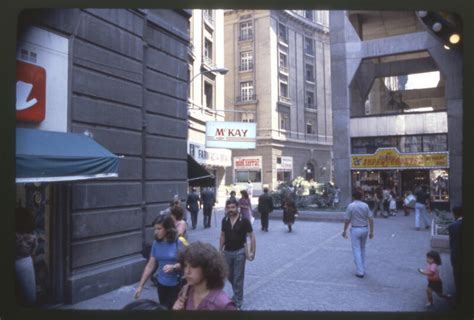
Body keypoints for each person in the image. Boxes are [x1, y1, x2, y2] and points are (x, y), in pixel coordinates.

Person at [134, 214, 187, 309]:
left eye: (159, 229)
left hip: (177, 285)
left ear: (168, 229)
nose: (156, 232)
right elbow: (150, 265)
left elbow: (187, 264)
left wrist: (174, 267)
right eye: (155, 229)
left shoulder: (179, 242)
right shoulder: (156, 243)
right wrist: (140, 286)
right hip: (161, 284)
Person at [172, 242, 236, 311]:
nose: (187, 271)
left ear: (207, 268)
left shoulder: (223, 304)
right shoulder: (185, 291)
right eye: (185, 265)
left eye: (193, 266)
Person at [220, 198, 256, 310]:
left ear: (237, 207)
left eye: (233, 207)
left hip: (240, 252)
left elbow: (252, 236)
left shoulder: (244, 220)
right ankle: (236, 294)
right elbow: (222, 235)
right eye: (229, 207)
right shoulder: (224, 220)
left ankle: (238, 302)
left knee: (238, 278)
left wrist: (252, 252)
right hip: (227, 252)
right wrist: (220, 250)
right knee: (229, 275)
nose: (231, 210)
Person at [342, 189, 374, 278]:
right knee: (362, 248)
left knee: (356, 249)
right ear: (362, 197)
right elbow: (371, 219)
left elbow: (347, 220)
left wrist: (344, 230)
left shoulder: (351, 206)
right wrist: (371, 231)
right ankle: (362, 267)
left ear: (353, 197)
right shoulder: (365, 206)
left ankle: (360, 271)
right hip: (365, 228)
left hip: (355, 229)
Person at [15, 207, 37, 306]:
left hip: (17, 262)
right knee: (28, 292)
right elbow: (33, 252)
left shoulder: (15, 237)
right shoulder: (32, 237)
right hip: (27, 262)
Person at [448, 205, 463, 305]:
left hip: (457, 255)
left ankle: (459, 297)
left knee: (458, 276)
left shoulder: (453, 226)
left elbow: (452, 243)